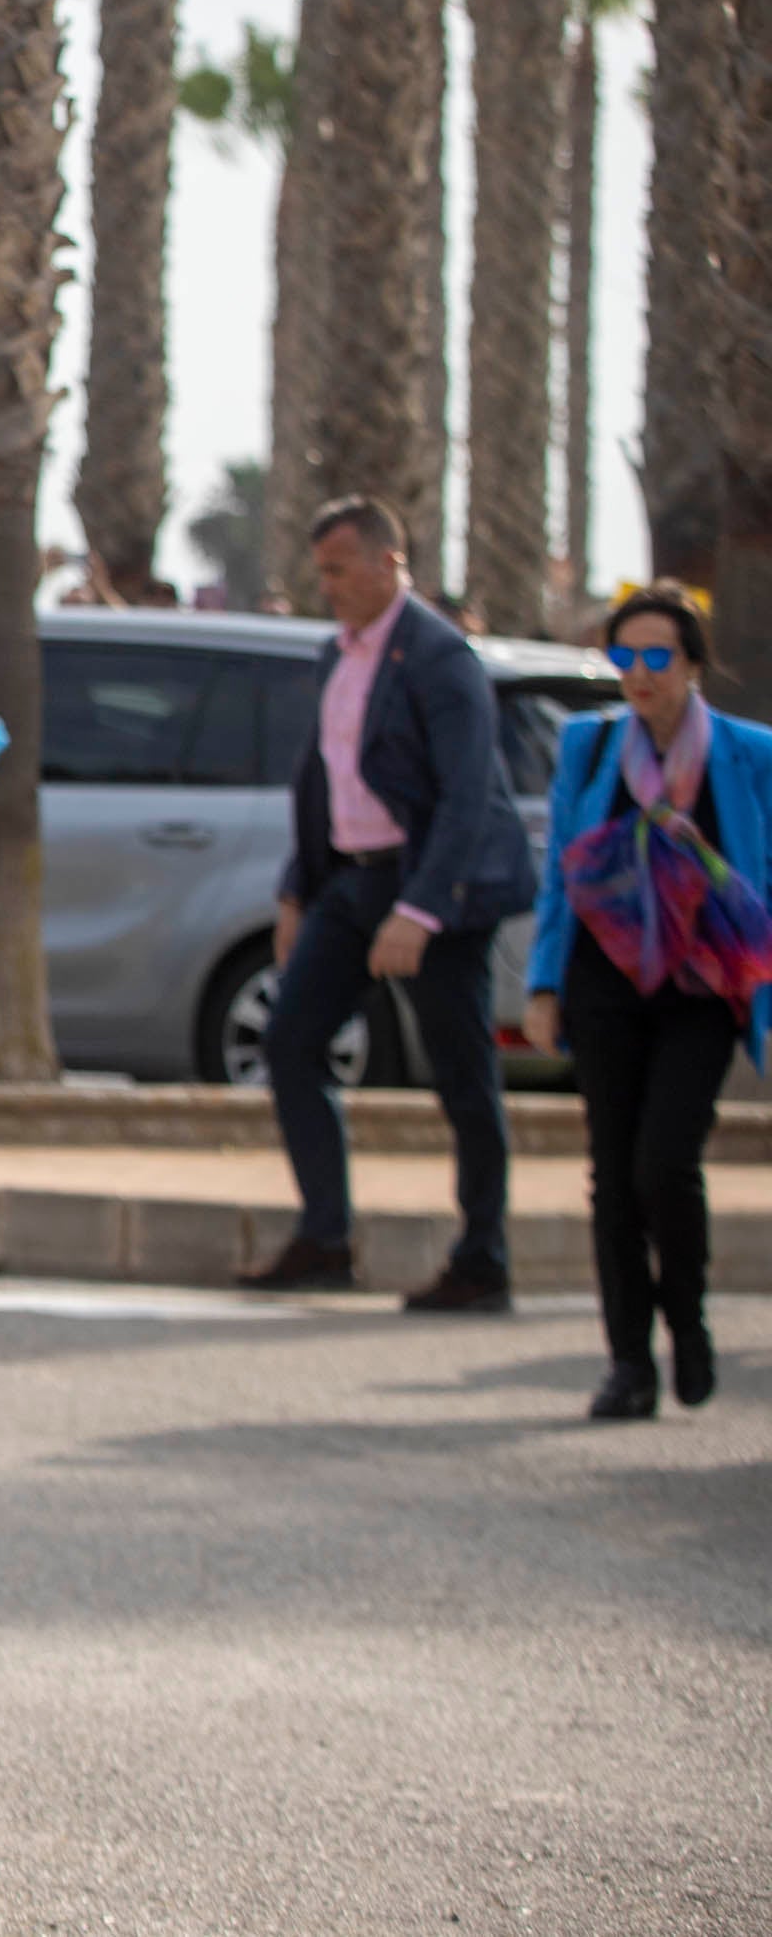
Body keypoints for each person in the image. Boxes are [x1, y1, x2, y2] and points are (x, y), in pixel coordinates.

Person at [237, 496, 538, 1308]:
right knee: (292, 1040)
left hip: (439, 885)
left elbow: (468, 794)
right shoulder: (338, 656)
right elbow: (323, 777)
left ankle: (483, 1258)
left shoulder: (440, 658)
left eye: (339, 569)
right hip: (354, 881)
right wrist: (299, 889)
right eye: (321, 571)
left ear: (387, 563)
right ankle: (325, 1235)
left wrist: (422, 910)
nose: (327, 586)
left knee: (461, 1075)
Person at [525, 583, 772, 1419]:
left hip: (702, 990)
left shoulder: (750, 754)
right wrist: (544, 983)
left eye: (656, 655)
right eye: (623, 656)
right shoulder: (590, 749)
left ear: (694, 664)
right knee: (613, 1177)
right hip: (605, 986)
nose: (638, 673)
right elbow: (562, 872)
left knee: (665, 1159)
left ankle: (688, 1321)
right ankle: (628, 1361)